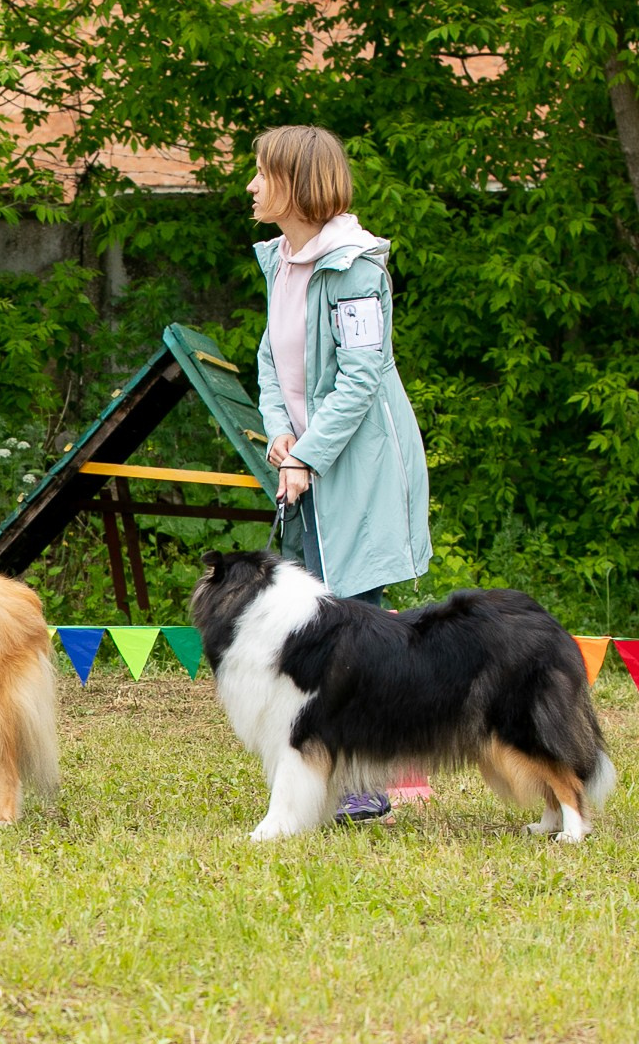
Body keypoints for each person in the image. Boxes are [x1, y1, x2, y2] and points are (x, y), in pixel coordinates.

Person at [248, 125, 433, 825]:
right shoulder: (280, 261)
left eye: (263, 173)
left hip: (356, 466)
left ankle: (373, 780)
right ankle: (329, 765)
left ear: (298, 182)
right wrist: (279, 431)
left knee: (355, 619)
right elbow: (271, 359)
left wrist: (307, 455)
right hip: (308, 460)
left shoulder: (355, 265)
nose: (252, 185)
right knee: (320, 620)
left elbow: (359, 378)